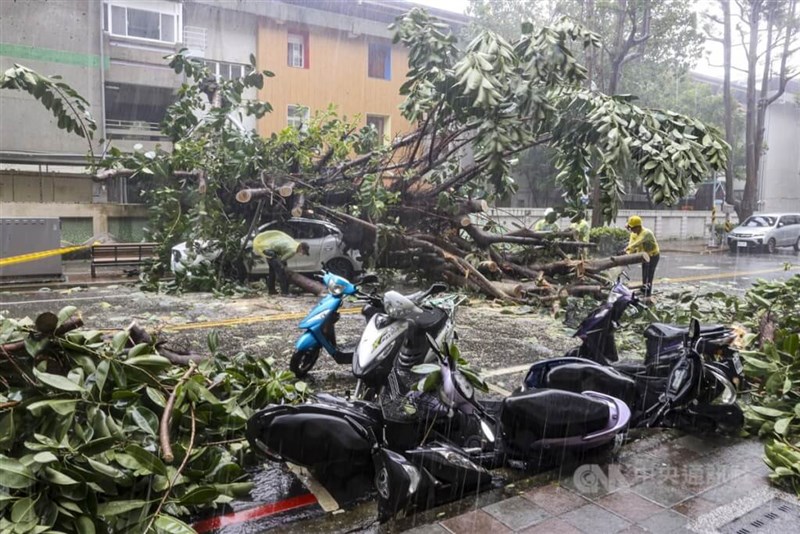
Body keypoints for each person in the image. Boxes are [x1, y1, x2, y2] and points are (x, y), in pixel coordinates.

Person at [252, 230, 310, 295]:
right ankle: (285, 293)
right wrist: (285, 269)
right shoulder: (293, 251)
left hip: (267, 250)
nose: (303, 254)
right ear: (301, 248)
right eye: (304, 252)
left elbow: (282, 257)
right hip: (271, 252)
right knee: (282, 274)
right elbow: (282, 260)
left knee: (272, 272)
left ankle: (271, 291)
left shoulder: (294, 244)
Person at [624, 215, 660, 297]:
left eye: (632, 228)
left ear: (638, 227)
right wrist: (627, 254)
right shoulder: (633, 234)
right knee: (644, 275)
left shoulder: (646, 233)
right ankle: (644, 291)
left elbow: (636, 243)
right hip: (644, 255)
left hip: (653, 255)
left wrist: (626, 249)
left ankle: (648, 294)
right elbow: (631, 245)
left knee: (649, 275)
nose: (631, 230)